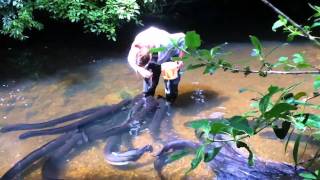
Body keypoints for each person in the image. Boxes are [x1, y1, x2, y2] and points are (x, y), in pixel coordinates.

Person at [127, 26, 185, 103]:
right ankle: (147, 99)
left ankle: (170, 101)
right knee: (149, 83)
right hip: (153, 56)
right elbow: (130, 59)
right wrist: (140, 70)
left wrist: (180, 59)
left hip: (170, 56)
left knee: (170, 84)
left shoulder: (166, 42)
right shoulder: (136, 46)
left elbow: (183, 37)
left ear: (151, 56)